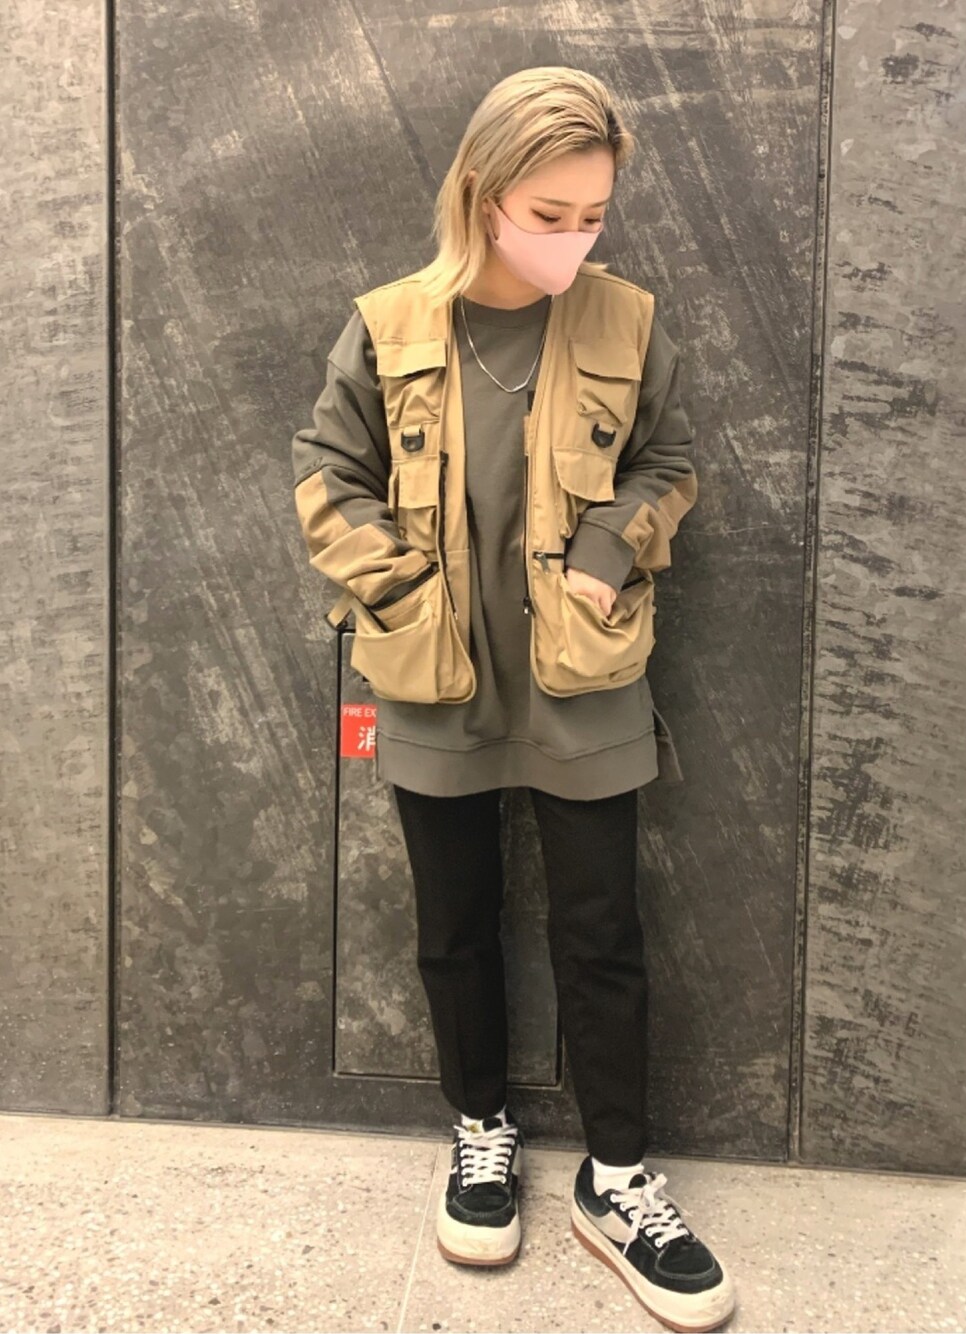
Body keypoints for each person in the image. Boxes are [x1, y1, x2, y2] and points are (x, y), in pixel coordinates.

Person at [291, 66, 736, 1332]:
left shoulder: (625, 321)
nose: (575, 238)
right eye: (551, 213)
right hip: (432, 675)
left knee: (603, 930)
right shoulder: (387, 324)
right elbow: (326, 471)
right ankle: (479, 1127)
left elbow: (668, 459)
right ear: (483, 195)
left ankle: (617, 1175)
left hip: (585, 673)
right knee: (453, 922)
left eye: (593, 214)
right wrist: (397, 589)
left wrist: (605, 554)